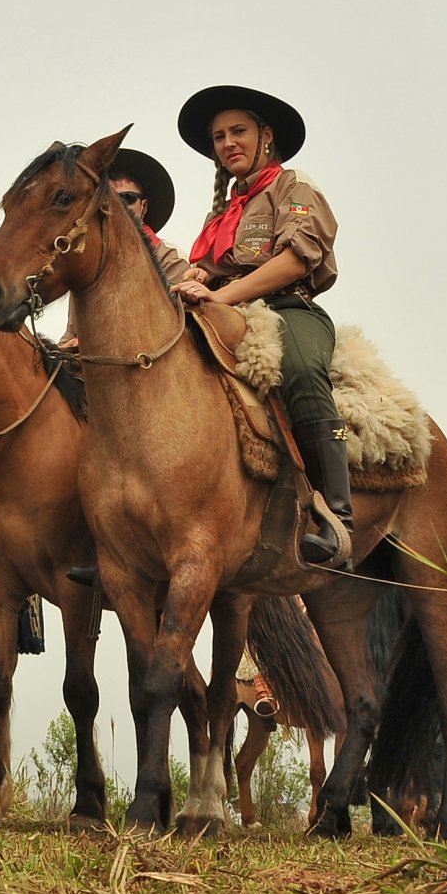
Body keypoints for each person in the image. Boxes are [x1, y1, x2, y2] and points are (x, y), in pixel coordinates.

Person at [170, 85, 353, 570]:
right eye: (219, 137)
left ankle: (335, 517)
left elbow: (296, 260)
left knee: (299, 371)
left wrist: (219, 294)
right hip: (223, 310)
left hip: (287, 310)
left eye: (238, 131)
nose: (228, 142)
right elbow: (211, 265)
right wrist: (199, 275)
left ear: (266, 136)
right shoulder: (224, 208)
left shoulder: (294, 185)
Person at [60, 147, 201, 348]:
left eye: (127, 198)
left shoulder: (169, 257)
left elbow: (177, 325)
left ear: (143, 207)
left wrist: (93, 341)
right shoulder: (89, 263)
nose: (119, 206)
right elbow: (71, 331)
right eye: (110, 199)